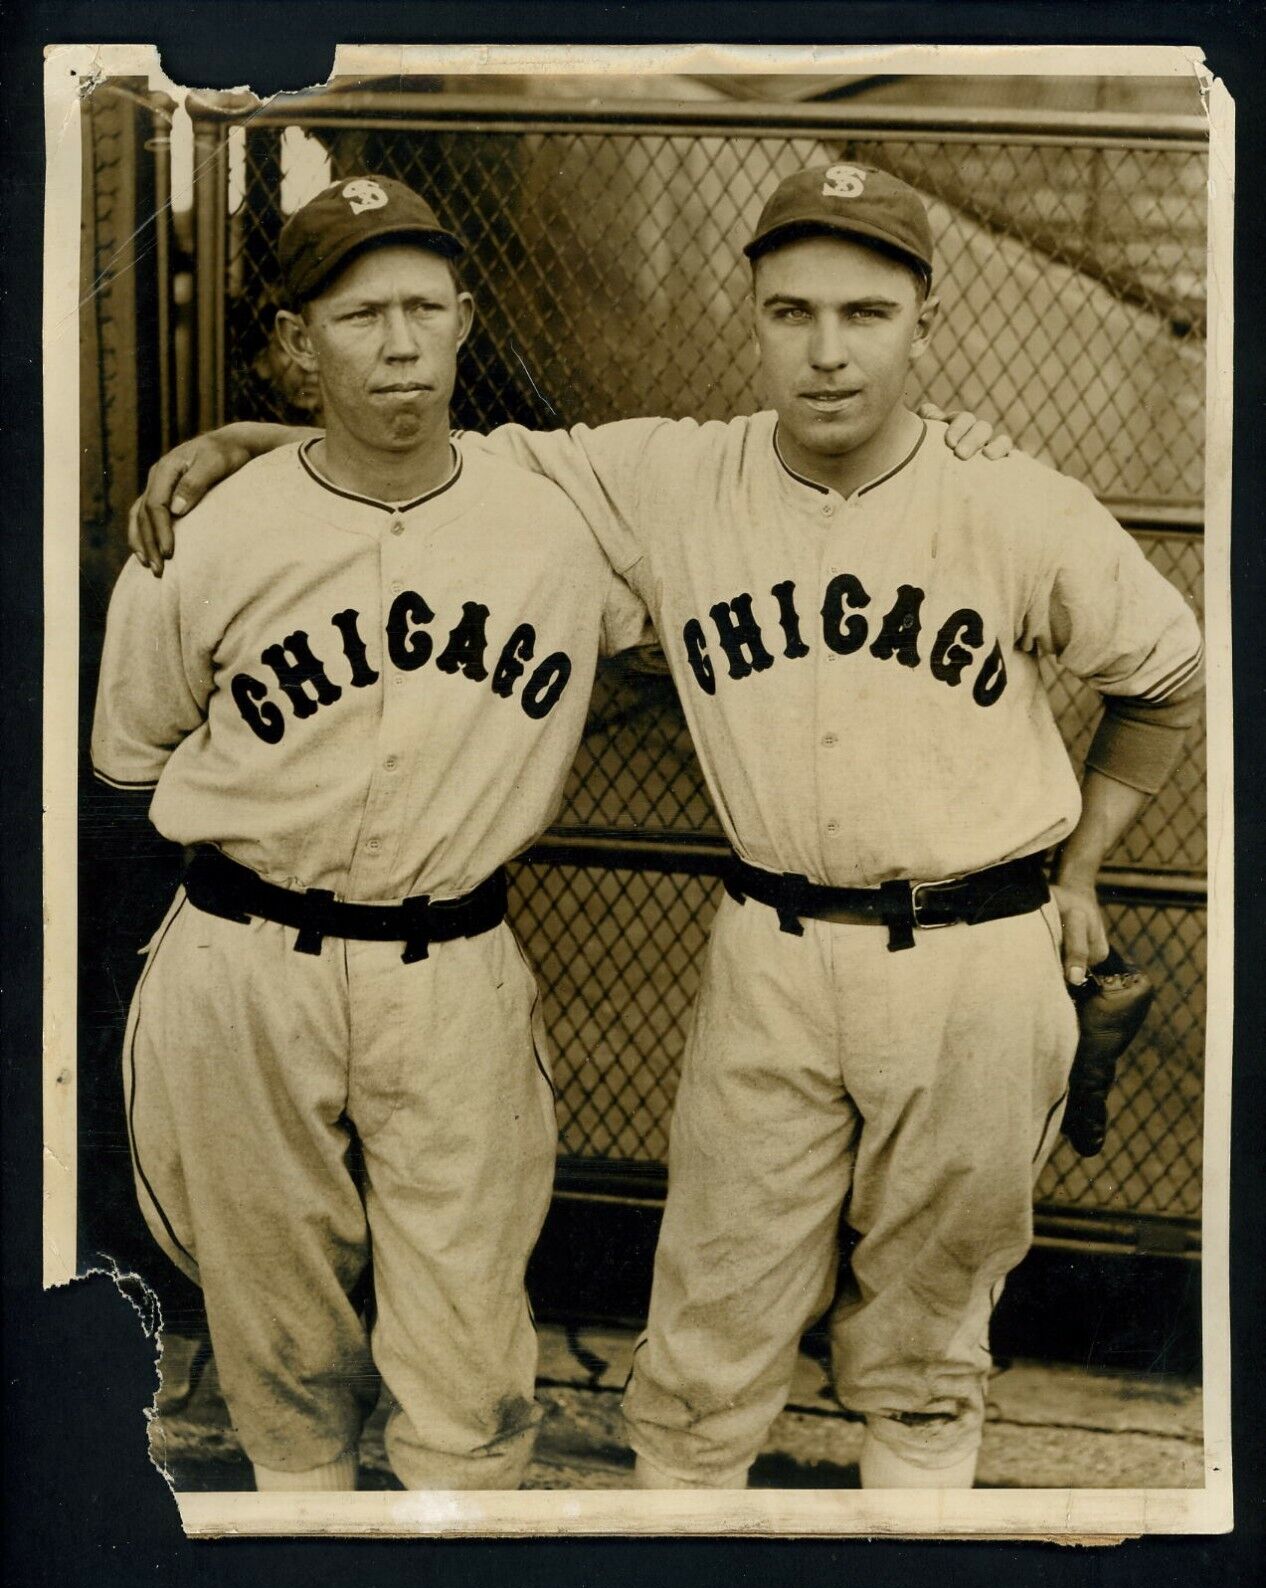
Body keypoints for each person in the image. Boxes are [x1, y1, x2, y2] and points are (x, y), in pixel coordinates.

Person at [126, 164, 1197, 1492]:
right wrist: (256, 445)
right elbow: (435, 454)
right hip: (771, 954)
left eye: (864, 313)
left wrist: (1085, 865)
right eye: (790, 311)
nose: (824, 349)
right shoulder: (670, 473)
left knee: (929, 1341)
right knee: (706, 1333)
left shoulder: (1014, 501)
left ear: (925, 324)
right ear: (749, 317)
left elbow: (1164, 676)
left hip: (980, 954)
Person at [90, 175, 653, 1492]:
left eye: (422, 308)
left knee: (466, 1369)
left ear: (465, 322)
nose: (398, 343)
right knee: (281, 1363)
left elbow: (774, 503)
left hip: (452, 970)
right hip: (245, 960)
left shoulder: (564, 525)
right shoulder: (204, 539)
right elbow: (130, 764)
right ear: (296, 348)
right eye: (357, 317)